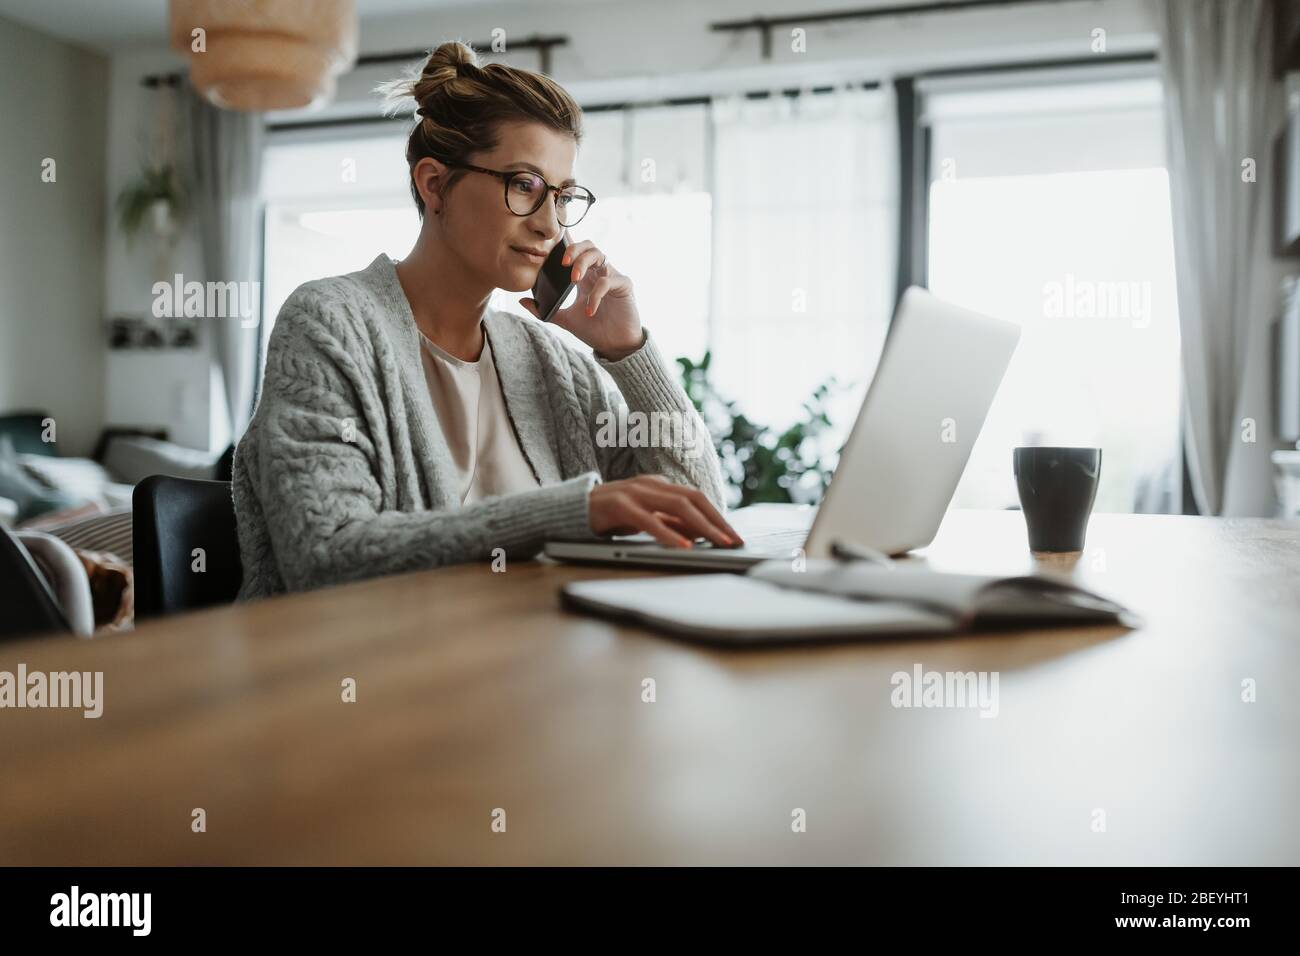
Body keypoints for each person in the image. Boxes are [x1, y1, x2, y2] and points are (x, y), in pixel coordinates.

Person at [232, 40, 741, 599]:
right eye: (524, 185)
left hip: (531, 646)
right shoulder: (328, 324)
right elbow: (325, 555)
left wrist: (629, 352)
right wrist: (565, 513)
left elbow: (700, 513)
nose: (551, 225)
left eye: (562, 196)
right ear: (434, 185)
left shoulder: (552, 365)